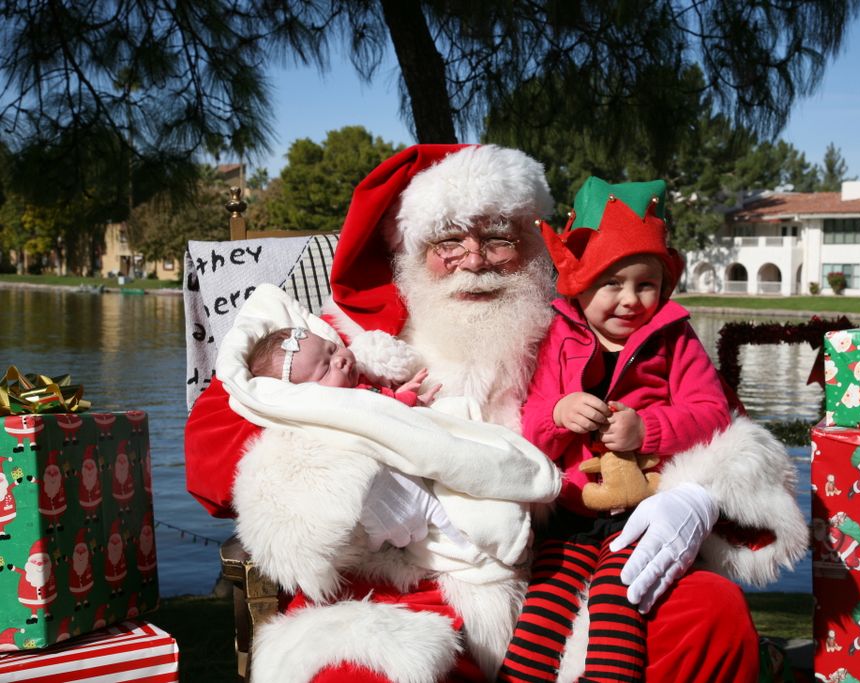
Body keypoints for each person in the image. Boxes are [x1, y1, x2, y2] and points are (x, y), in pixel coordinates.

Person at [184, 144, 806, 683]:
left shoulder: (585, 322)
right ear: (410, 251)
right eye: (448, 241)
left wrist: (693, 495)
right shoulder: (350, 337)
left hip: (568, 569)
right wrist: (336, 474)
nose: (475, 259)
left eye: (500, 237)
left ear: (536, 247)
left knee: (708, 616)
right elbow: (216, 442)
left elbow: (722, 422)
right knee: (360, 669)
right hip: (409, 580)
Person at [500, 177, 730, 683]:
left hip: (646, 513)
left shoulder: (673, 338)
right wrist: (559, 414)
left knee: (620, 601)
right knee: (540, 612)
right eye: (612, 283)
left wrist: (648, 428)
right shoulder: (556, 336)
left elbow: (713, 413)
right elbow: (531, 426)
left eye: (644, 284)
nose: (630, 300)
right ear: (580, 285)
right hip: (570, 513)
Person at [247, 326, 439, 407]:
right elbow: (385, 408)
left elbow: (384, 397)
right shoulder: (347, 400)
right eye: (325, 369)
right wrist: (415, 400)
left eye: (332, 349)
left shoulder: (359, 376)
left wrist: (400, 392)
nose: (339, 360)